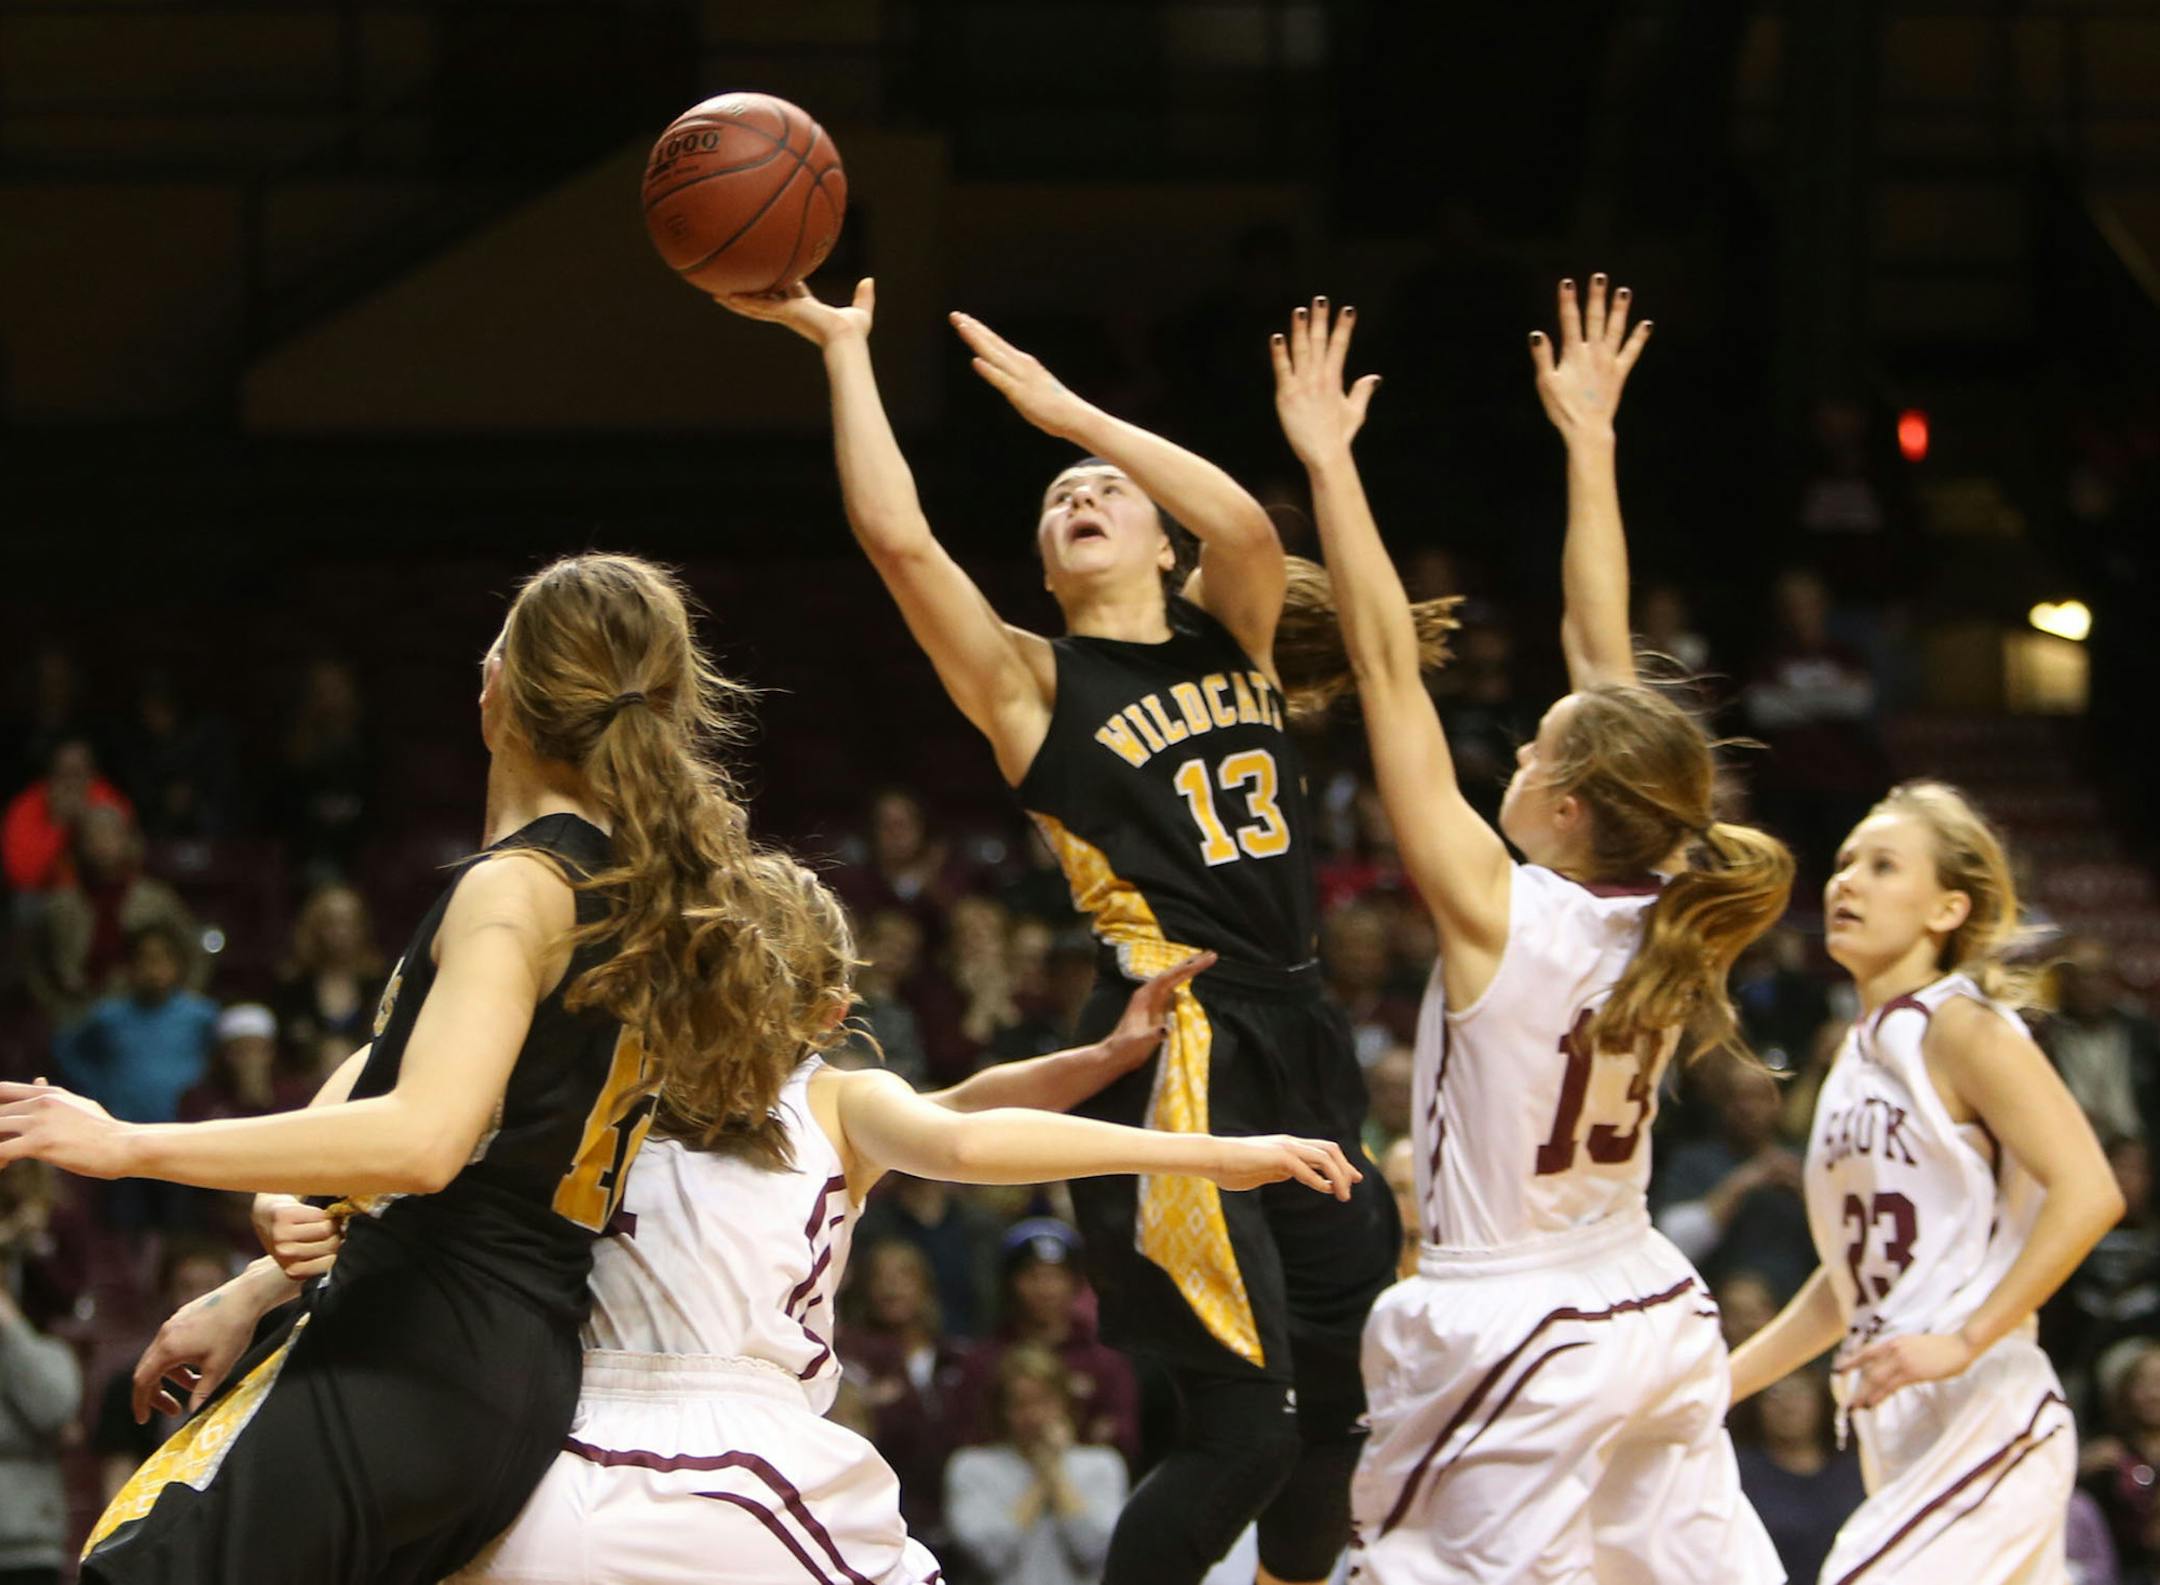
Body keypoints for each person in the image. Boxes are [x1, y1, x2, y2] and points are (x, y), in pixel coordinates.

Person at [721, 277, 1448, 1585]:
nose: (1078, 496)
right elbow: (899, 543)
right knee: (1247, 1428)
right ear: (1047, 567)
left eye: (1102, 490)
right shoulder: (1033, 683)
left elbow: (1236, 515)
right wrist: (842, 352)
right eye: (1057, 499)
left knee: (1340, 1412)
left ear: (1160, 543)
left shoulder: (1237, 630)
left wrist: (1073, 416)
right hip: (1175, 1046)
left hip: (1306, 1030)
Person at [0, 552, 833, 1585]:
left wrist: (126, 1144)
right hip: (510, 1369)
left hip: (421, 1340)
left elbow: (428, 1138)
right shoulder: (631, 893)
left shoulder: (519, 888)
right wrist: (261, 1282)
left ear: (504, 689)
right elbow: (440, 1087)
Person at [364, 858, 1335, 1585]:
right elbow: (960, 1135)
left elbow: (963, 1106)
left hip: (545, 1459)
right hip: (744, 1462)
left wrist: (248, 1286)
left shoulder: (587, 1088)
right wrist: (1220, 1152)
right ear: (828, 1012)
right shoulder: (841, 1102)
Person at [1271, 278, 1793, 1583]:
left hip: (1513, 1321)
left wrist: (1332, 467)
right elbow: (1599, 650)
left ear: (1563, 807)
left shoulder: (1499, 912)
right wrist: (1593, 445)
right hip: (1648, 1300)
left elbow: (1388, 666)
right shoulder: (1682, 904)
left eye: (1533, 746)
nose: (1514, 744)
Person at [1729, 780, 2125, 1583]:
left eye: (1882, 865)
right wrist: (1716, 1384)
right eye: (1843, 863)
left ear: (1947, 908)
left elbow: (2091, 1189)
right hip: (1899, 1422)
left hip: (1987, 1405)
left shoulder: (1959, 1023)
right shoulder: (1854, 1054)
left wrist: (1968, 1337)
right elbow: (1847, 1287)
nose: (1846, 881)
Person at [947, 1344, 1130, 1585]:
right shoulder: (971, 1467)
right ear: (1002, 1410)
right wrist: (1042, 1478)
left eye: (1044, 1401)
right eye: (1020, 1404)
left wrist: (1055, 1471)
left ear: (1065, 1403)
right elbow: (991, 1554)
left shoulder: (1103, 1465)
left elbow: (1095, 1550)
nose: (1033, 1415)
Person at [1731, 1368, 1866, 1585]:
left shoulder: (1856, 1468)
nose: (1788, 1405)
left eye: (1800, 1393)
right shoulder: (1739, 1472)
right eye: (1775, 1394)